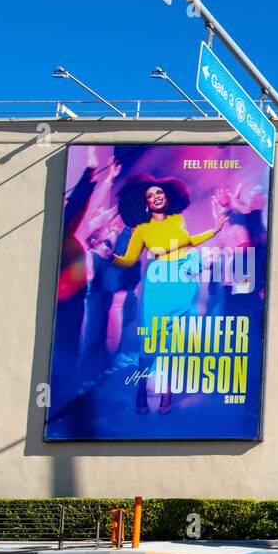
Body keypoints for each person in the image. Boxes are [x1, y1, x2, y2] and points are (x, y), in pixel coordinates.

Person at [112, 175, 227, 414]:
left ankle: (167, 396)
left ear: (167, 196)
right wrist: (110, 257)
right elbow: (130, 259)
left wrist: (213, 232)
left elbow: (188, 242)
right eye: (150, 195)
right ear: (145, 203)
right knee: (151, 340)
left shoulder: (177, 218)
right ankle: (141, 391)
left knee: (175, 344)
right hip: (158, 281)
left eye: (159, 193)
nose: (156, 197)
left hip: (182, 280)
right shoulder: (142, 229)